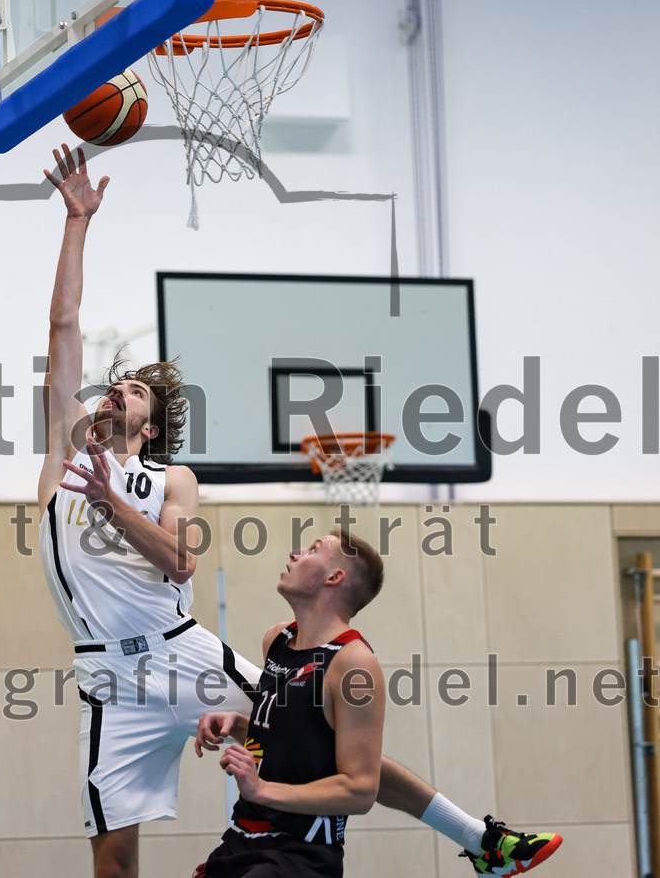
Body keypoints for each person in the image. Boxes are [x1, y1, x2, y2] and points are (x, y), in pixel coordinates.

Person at [37, 144, 562, 878]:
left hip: (180, 649)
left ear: (150, 427)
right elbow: (63, 326)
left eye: (133, 391)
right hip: (109, 679)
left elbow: (182, 560)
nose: (115, 390)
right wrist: (76, 222)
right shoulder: (60, 463)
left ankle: (479, 837)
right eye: (113, 384)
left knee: (333, 738)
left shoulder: (170, 478)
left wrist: (114, 506)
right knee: (114, 858)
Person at [194, 530, 564, 878]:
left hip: (297, 855)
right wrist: (241, 725)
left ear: (335, 577)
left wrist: (261, 789)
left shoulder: (354, 665)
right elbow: (301, 740)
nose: (295, 553)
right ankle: (481, 841)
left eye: (312, 549)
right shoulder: (277, 639)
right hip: (241, 840)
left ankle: (482, 841)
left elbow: (360, 789)